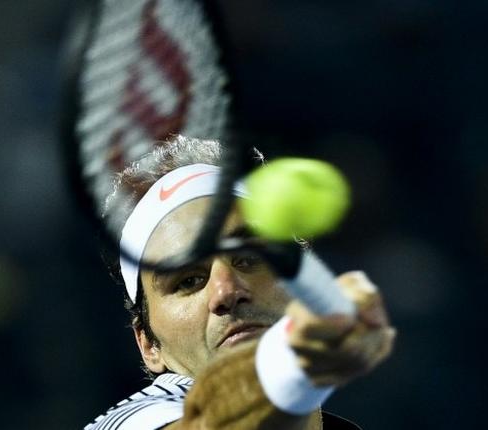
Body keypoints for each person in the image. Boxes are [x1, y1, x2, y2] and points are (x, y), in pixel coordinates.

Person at [85, 135, 395, 429]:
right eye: (189, 280)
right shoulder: (131, 421)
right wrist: (293, 367)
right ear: (149, 345)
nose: (227, 290)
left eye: (248, 258)